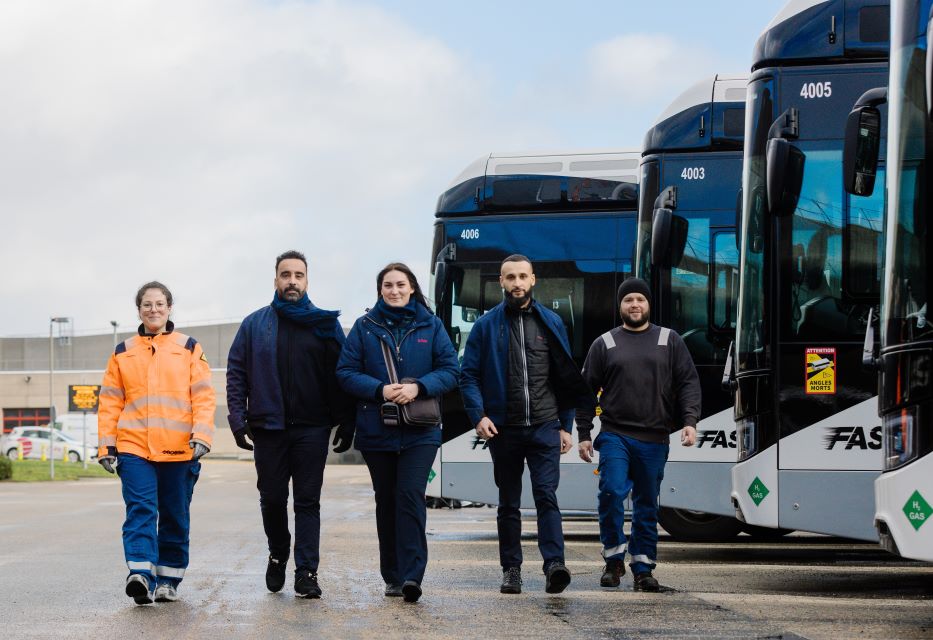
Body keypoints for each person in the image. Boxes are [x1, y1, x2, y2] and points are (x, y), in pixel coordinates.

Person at [459, 255, 595, 595]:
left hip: (545, 426)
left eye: (522, 276)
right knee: (508, 502)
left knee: (546, 495)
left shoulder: (551, 322)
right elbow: (469, 376)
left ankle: (554, 565)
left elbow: (564, 375)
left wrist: (565, 425)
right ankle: (512, 570)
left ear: (533, 280)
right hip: (503, 429)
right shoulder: (486, 326)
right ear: (501, 282)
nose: (517, 282)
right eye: (510, 277)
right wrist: (479, 416)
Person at [226, 250, 355, 599]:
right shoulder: (255, 325)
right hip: (269, 428)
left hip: (313, 428)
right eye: (286, 275)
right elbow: (236, 373)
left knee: (307, 502)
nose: (292, 281)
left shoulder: (324, 325)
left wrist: (346, 421)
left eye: (298, 275)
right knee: (271, 499)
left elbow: (339, 375)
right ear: (276, 280)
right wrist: (237, 420)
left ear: (307, 281)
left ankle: (306, 572)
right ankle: (278, 551)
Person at [336, 262, 459, 603]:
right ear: (380, 290)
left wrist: (419, 387)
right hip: (377, 430)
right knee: (386, 501)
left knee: (409, 496)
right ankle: (391, 574)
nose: (394, 290)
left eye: (400, 284)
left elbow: (451, 370)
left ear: (411, 287)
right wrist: (380, 390)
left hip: (421, 430)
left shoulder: (431, 325)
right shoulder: (364, 328)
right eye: (388, 285)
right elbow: (345, 373)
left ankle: (412, 575)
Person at [576, 277, 701, 592]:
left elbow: (688, 382)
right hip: (616, 434)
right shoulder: (605, 344)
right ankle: (614, 560)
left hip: (655, 438)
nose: (634, 305)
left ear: (648, 304)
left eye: (640, 300)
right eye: (628, 300)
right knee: (611, 493)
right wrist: (584, 432)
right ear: (620, 306)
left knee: (647, 505)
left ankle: (643, 568)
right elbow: (585, 392)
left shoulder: (669, 341)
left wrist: (689, 421)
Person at [98, 281, 216, 605]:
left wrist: (202, 435)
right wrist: (107, 446)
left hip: (180, 448)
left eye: (159, 304)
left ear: (169, 308)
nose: (153, 310)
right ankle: (139, 574)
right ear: (139, 310)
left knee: (175, 514)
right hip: (134, 447)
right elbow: (110, 402)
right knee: (141, 509)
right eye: (147, 305)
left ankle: (168, 580)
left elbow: (204, 397)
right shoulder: (122, 353)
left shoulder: (189, 347)